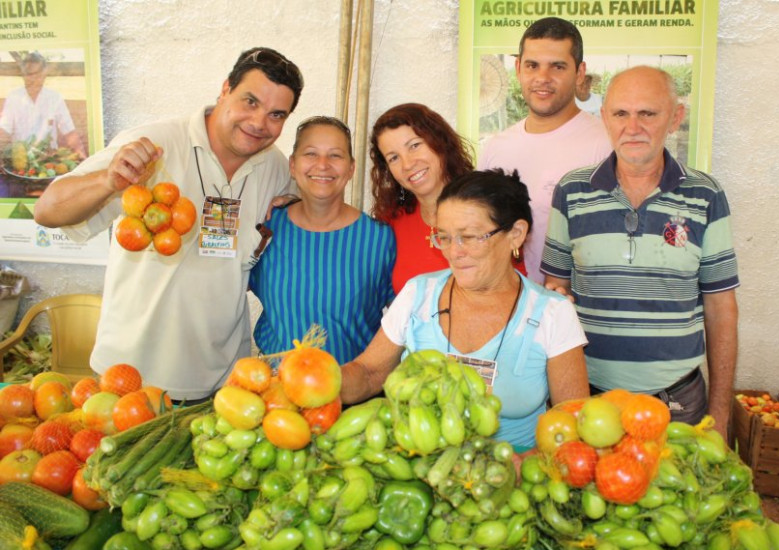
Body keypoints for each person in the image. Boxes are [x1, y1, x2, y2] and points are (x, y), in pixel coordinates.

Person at [32, 47, 304, 401]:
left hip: (223, 382)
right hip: (131, 378)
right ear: (225, 89)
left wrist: (299, 201)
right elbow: (47, 211)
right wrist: (107, 181)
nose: (259, 122)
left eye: (276, 114)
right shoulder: (155, 145)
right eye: (250, 102)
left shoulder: (275, 167)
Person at [542, 66, 739, 435]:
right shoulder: (571, 192)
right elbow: (555, 291)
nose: (632, 127)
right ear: (605, 118)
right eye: (621, 113)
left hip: (678, 404)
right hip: (588, 399)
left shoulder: (706, 195)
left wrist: (720, 415)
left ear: (675, 118)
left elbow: (721, 308)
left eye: (647, 113)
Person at [341, 169, 589, 449]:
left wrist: (525, 462)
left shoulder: (552, 313)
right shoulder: (418, 294)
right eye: (444, 237)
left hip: (514, 469)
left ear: (516, 234)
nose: (454, 252)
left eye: (469, 236)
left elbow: (574, 423)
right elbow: (369, 373)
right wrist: (322, 380)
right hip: (421, 466)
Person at [249, 116, 395, 364]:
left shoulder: (380, 239)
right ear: (293, 165)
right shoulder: (268, 228)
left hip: (352, 383)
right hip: (276, 381)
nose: (323, 165)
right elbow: (227, 283)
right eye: (311, 154)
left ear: (351, 168)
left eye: (335, 155)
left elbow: (403, 320)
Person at [479, 17, 611, 285]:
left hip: (580, 305)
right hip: (509, 304)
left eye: (557, 67)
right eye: (532, 65)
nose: (542, 78)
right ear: (518, 68)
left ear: (580, 72)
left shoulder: (605, 146)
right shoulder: (496, 148)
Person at [370, 103, 484, 295]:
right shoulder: (392, 222)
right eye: (394, 158)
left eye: (414, 146)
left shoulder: (487, 208)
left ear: (440, 141)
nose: (407, 164)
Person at [0, 51, 86, 158]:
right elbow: (4, 130)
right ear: (23, 75)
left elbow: (69, 132)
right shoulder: (14, 97)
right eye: (28, 74)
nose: (32, 79)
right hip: (21, 160)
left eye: (37, 74)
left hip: (48, 159)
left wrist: (83, 156)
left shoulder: (55, 98)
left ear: (44, 74)